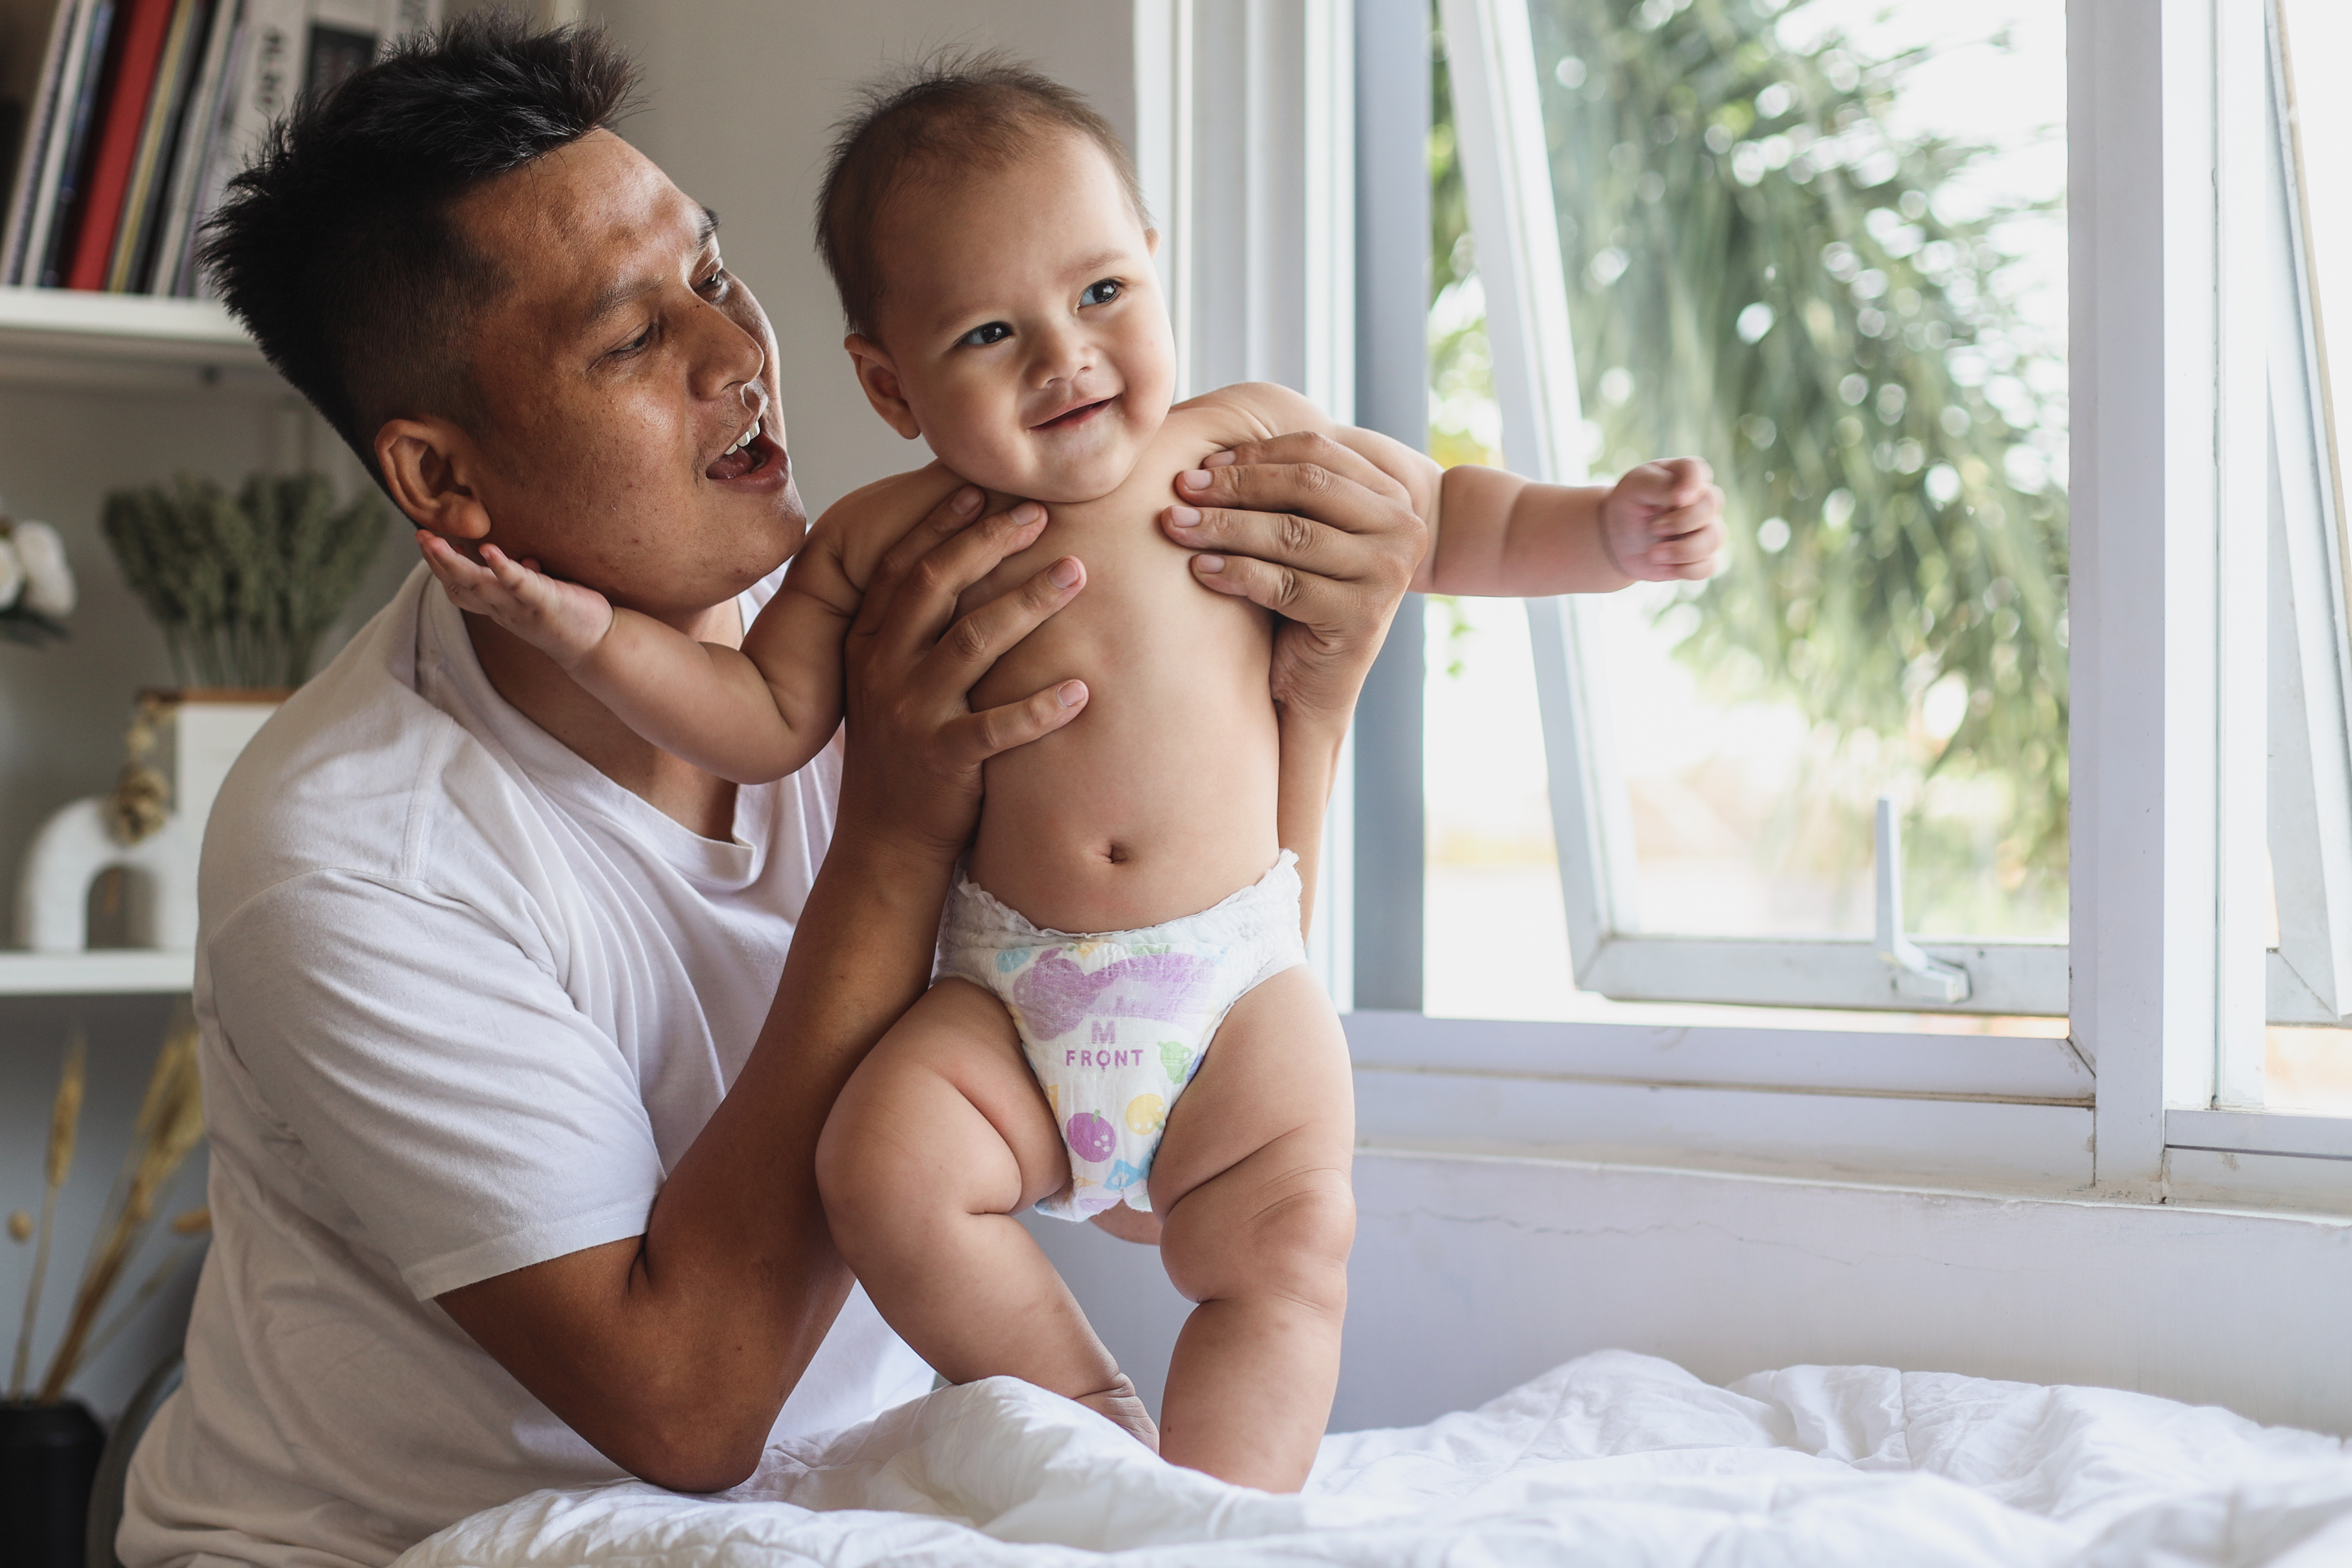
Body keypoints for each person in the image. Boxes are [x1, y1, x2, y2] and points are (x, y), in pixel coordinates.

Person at [117, 19, 1430, 1568]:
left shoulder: (934, 603)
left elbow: (1150, 1150)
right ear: (443, 485)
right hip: (420, 1542)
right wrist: (894, 822)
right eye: (631, 340)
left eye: (718, 275)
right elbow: (689, 1408)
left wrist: (1315, 696)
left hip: (834, 1505)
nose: (739, 354)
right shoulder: (346, 855)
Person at [418, 58, 1725, 1494]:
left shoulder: (1239, 446)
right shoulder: (872, 538)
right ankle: (1101, 1433)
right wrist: (586, 630)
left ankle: (1225, 1513)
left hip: (1231, 985)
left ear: (1156, 268)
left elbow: (1440, 517)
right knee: (883, 1168)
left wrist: (1602, 531)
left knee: (1289, 1246)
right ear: (889, 381)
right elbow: (755, 712)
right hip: (1009, 993)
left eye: (1102, 294)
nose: (1066, 356)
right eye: (990, 330)